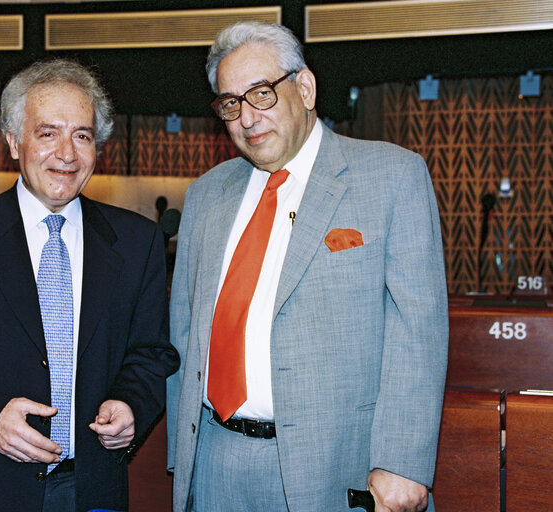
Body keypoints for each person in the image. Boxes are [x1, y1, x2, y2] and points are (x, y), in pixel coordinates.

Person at [166, 22, 448, 512]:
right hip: (215, 462)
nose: (247, 117)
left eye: (261, 93)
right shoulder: (206, 194)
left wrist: (403, 462)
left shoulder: (392, 176)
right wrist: (181, 456)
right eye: (231, 103)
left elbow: (417, 332)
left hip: (337, 468)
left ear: (305, 87)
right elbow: (184, 332)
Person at [0, 58, 179, 512]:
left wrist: (131, 404)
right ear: (12, 142)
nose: (67, 153)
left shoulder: (137, 242)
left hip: (88, 489)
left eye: (82, 135)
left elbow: (152, 354)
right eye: (48, 133)